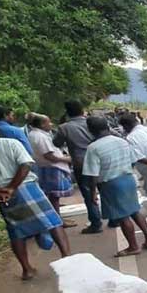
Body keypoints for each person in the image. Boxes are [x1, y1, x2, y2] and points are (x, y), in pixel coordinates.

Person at [0, 119, 70, 280]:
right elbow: (26, 164)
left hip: (2, 194)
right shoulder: (10, 143)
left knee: (16, 232)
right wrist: (13, 187)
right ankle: (67, 258)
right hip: (25, 187)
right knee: (53, 222)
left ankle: (27, 269)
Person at [83, 116, 147, 257]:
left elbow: (92, 174)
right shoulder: (122, 141)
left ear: (91, 130)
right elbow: (133, 160)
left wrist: (93, 192)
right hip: (128, 179)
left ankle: (133, 246)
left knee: (123, 217)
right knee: (135, 211)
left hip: (111, 184)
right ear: (108, 126)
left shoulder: (93, 148)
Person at [53, 100, 103, 234]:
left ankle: (96, 223)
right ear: (82, 110)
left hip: (81, 163)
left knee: (88, 194)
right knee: (104, 189)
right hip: (100, 160)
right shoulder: (92, 122)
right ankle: (115, 218)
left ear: (67, 112)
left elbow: (56, 143)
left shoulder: (65, 127)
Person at [27, 112, 76, 227]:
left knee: (52, 196)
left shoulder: (33, 134)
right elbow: (50, 156)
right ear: (43, 124)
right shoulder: (41, 136)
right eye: (49, 122)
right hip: (52, 167)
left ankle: (57, 219)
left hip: (45, 167)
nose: (51, 124)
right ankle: (58, 221)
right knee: (54, 196)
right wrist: (67, 159)